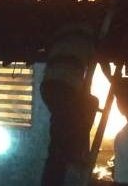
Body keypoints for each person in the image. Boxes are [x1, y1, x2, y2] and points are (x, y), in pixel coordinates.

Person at [40, 22, 99, 186]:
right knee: (91, 103)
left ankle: (68, 153)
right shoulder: (89, 40)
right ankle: (74, 151)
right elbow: (89, 78)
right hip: (66, 88)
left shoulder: (62, 33)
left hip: (48, 88)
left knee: (59, 135)